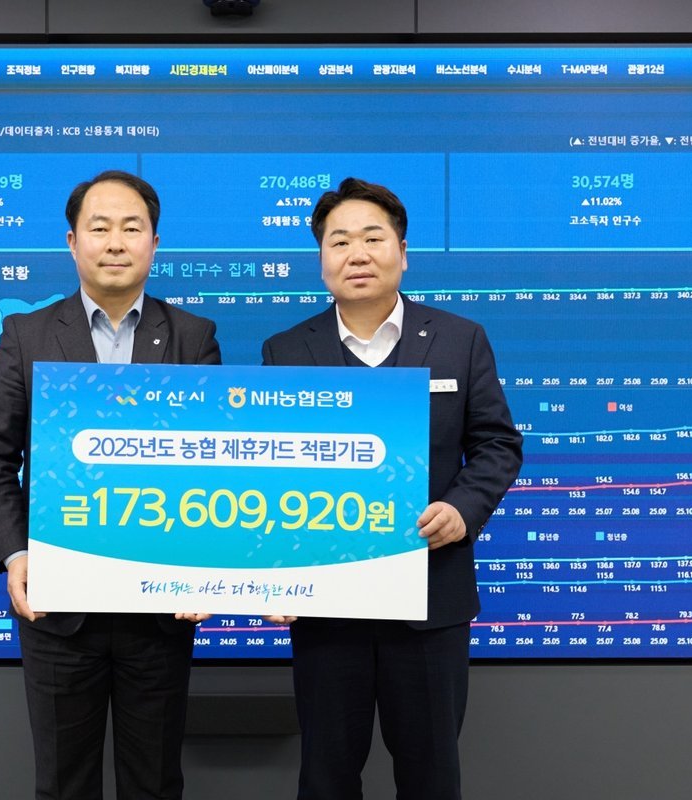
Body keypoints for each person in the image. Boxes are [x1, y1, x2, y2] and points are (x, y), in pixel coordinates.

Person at [261, 177, 523, 800]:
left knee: (432, 778)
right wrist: (273, 571)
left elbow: (497, 444)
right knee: (325, 779)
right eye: (339, 241)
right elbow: (271, 471)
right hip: (326, 606)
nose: (356, 254)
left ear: (402, 252)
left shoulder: (460, 339)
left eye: (372, 238)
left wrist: (461, 509)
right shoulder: (286, 350)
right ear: (321, 259)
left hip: (430, 603)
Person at [0, 170, 221, 800]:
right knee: (63, 783)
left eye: (131, 228)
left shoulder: (193, 337)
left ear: (154, 242)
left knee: (154, 784)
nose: (115, 242)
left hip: (159, 609)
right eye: (99, 227)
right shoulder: (27, 334)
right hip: (60, 608)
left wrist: (204, 566)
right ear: (72, 241)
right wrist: (15, 553)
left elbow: (211, 464)